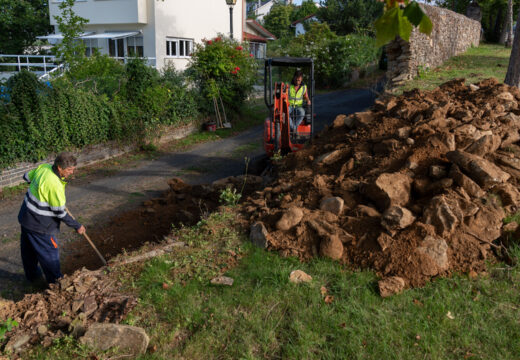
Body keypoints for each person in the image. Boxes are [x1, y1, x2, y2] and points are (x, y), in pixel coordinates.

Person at [18, 152, 86, 285]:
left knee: (29, 252)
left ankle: (34, 279)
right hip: (41, 226)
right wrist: (77, 226)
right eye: (70, 169)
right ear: (60, 168)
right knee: (50, 256)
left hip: (25, 218)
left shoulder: (44, 168)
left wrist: (38, 184)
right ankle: (56, 285)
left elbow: (26, 176)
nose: (72, 172)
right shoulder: (55, 185)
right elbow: (60, 213)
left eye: (73, 169)